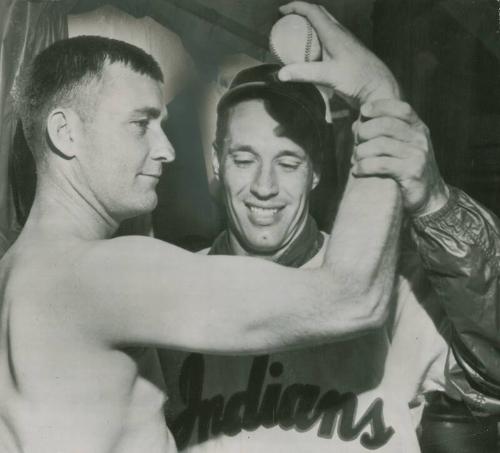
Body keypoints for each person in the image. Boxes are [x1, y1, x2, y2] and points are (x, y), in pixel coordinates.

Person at [0, 6, 413, 453]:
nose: (167, 150)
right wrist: (380, 97)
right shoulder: (102, 273)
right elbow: (353, 296)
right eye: (141, 125)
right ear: (65, 132)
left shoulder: (15, 270)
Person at [160, 63, 449, 453]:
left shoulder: (395, 283)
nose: (265, 186)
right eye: (244, 160)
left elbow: (490, 369)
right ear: (217, 162)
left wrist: (436, 203)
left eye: (288, 163)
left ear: (314, 170)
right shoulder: (167, 292)